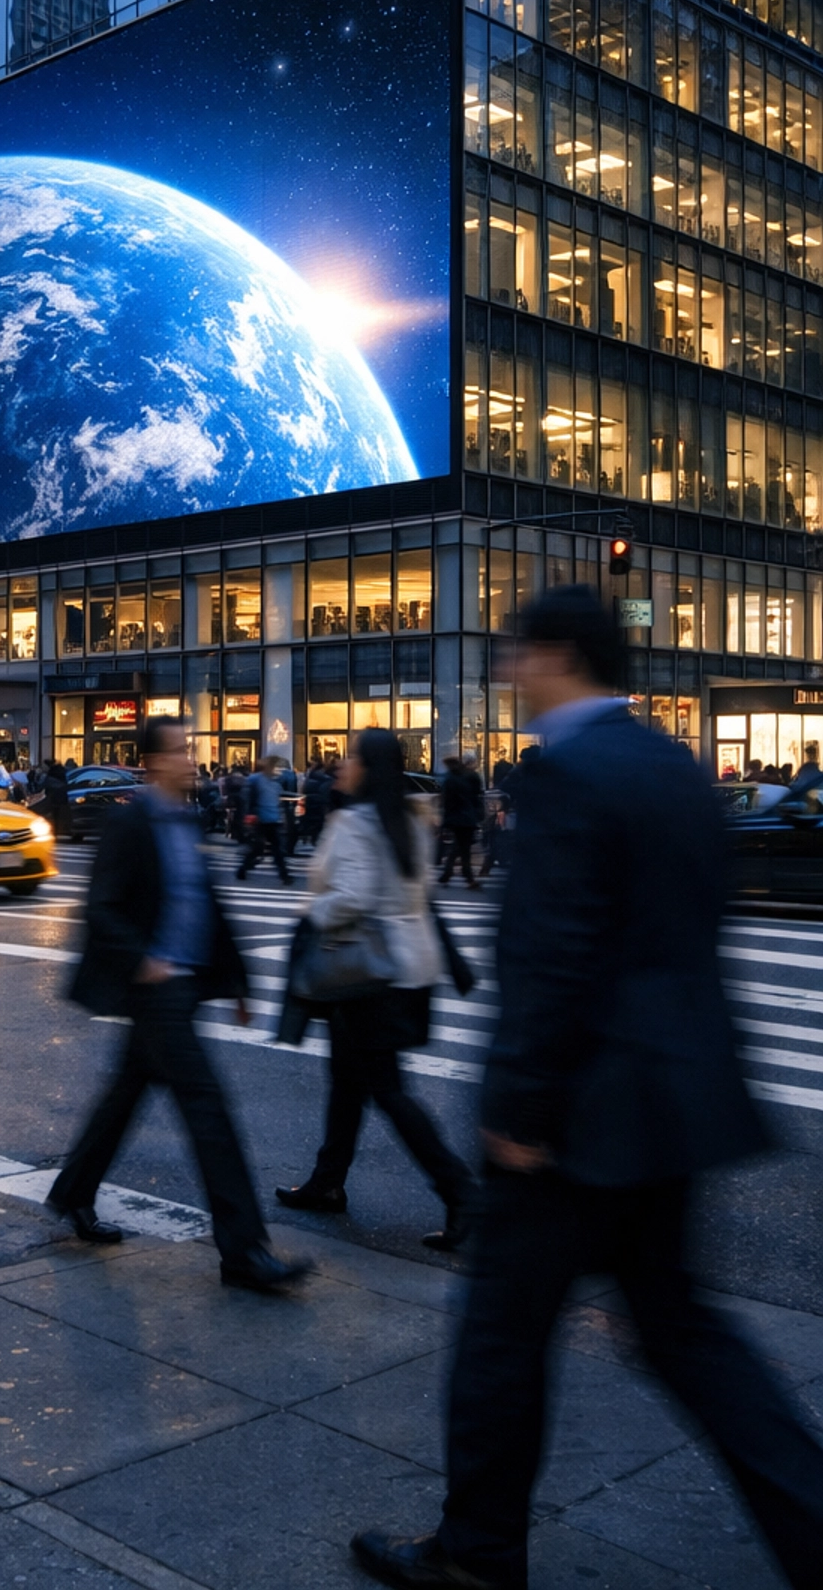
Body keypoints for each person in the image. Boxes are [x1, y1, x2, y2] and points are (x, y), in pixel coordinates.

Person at [352, 587, 823, 1590]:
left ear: (560, 655)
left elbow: (556, 955)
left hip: (574, 1118)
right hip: (672, 1107)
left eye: (516, 654)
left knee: (500, 1340)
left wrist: (518, 1110)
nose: (507, 674)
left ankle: (478, 1555)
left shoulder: (566, 775)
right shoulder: (673, 766)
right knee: (691, 1337)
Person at [47, 716, 304, 1292]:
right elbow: (102, 907)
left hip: (182, 983)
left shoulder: (184, 821)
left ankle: (72, 1194)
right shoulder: (130, 823)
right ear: (156, 762)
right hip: (154, 986)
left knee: (126, 1092)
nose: (191, 759)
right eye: (182, 751)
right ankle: (244, 1252)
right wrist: (145, 959)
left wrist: (236, 982)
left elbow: (206, 904)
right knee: (207, 1108)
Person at [276, 729, 475, 1251]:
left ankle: (461, 1193)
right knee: (347, 1078)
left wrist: (309, 912)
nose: (341, 763)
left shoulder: (357, 822)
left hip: (369, 975)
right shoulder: (409, 818)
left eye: (349, 756)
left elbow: (353, 897)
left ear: (367, 766)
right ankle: (327, 1181)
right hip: (406, 968)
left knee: (385, 1089)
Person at [238, 752, 291, 883]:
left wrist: (280, 816)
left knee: (275, 850)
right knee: (259, 849)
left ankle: (284, 876)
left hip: (272, 819)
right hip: (260, 819)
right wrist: (250, 815)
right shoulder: (256, 780)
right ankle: (243, 869)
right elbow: (248, 797)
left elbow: (277, 802)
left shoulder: (275, 783)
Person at [437, 754, 483, 888]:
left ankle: (450, 873)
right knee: (463, 847)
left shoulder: (450, 779)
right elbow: (474, 796)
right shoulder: (466, 776)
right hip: (467, 817)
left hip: (457, 817)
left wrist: (445, 820)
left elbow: (447, 802)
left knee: (461, 847)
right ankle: (465, 876)